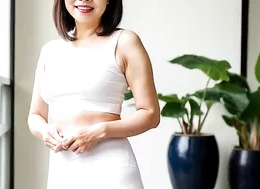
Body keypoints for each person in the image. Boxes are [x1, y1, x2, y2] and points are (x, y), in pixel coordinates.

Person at [27, 0, 160, 188]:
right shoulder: (50, 51)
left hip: (112, 170)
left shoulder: (125, 42)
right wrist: (45, 131)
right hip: (62, 171)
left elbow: (151, 114)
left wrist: (98, 132)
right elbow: (35, 116)